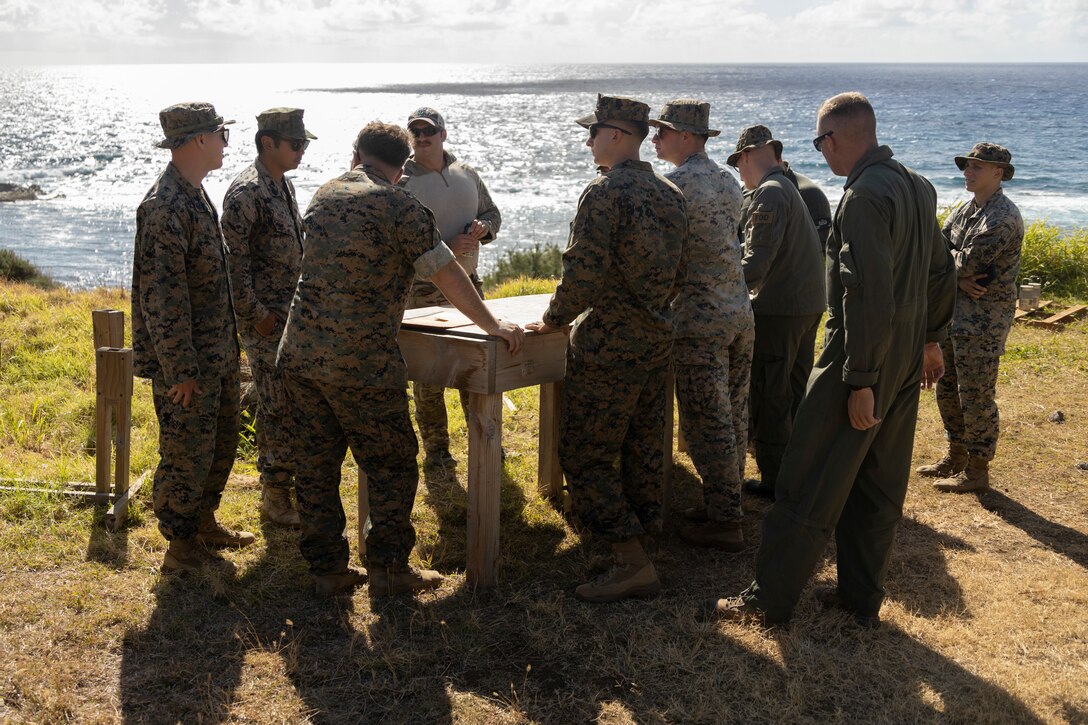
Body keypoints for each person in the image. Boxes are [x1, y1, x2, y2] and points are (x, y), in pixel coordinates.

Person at [712, 92, 956, 627]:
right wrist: (930, 339)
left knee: (808, 475)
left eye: (821, 140)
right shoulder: (918, 185)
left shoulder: (864, 195)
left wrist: (860, 379)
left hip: (860, 353)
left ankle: (768, 600)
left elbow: (864, 292)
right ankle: (858, 597)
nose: (819, 152)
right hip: (904, 353)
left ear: (839, 138)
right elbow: (942, 270)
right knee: (878, 481)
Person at [276, 122, 524, 597]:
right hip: (360, 360)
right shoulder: (400, 205)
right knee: (390, 463)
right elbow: (446, 271)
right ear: (402, 166)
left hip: (301, 354)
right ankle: (389, 570)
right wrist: (492, 325)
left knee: (316, 465)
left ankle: (328, 569)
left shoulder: (325, 194)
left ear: (356, 155)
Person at [527, 94, 687, 602]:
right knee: (641, 447)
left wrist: (552, 320)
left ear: (616, 134)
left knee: (585, 452)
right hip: (656, 336)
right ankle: (643, 540)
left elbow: (583, 272)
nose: (588, 140)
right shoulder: (670, 195)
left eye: (593, 131)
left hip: (609, 344)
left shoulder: (605, 193)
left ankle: (629, 560)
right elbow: (681, 272)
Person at [132, 102, 254, 574]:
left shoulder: (195, 193)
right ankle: (180, 550)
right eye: (222, 133)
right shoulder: (165, 207)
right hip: (188, 366)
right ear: (200, 139)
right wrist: (179, 369)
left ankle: (202, 524)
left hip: (216, 355)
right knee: (186, 454)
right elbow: (162, 299)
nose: (226, 142)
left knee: (219, 445)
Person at [648, 99, 753, 551]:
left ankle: (725, 521)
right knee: (733, 411)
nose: (655, 139)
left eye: (662, 132)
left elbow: (661, 260)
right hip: (738, 312)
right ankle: (724, 502)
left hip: (699, 319)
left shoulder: (673, 185)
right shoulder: (730, 182)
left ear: (685, 138)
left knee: (708, 420)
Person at [222, 107, 316, 528]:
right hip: (266, 324)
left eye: (303, 143)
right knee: (276, 408)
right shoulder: (246, 194)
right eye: (295, 144)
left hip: (289, 321)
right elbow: (232, 266)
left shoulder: (282, 187)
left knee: (292, 406)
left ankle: (288, 486)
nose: (301, 150)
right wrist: (256, 317)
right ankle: (275, 497)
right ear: (268, 143)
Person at [400, 107, 502, 470]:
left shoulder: (467, 174)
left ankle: (485, 438)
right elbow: (399, 243)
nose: (422, 138)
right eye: (415, 132)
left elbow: (494, 215)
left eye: (428, 131)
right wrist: (446, 247)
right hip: (421, 292)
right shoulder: (401, 181)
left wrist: (482, 228)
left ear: (443, 135)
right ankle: (438, 452)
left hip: (469, 285)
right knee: (429, 377)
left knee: (476, 365)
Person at [919, 143, 1023, 493]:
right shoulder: (968, 209)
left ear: (998, 173)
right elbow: (938, 250)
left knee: (975, 395)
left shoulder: (1002, 217)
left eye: (977, 167)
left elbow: (966, 262)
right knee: (947, 388)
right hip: (953, 316)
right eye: (967, 166)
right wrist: (956, 275)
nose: (968, 171)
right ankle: (956, 454)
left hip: (983, 324)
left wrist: (954, 270)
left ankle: (978, 469)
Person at [729, 125, 825, 500]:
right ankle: (798, 468)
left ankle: (775, 480)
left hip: (780, 308)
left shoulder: (768, 193)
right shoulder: (788, 186)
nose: (740, 173)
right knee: (793, 391)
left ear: (748, 156)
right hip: (805, 304)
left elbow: (755, 264)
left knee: (771, 394)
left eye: (739, 165)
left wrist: (717, 279)